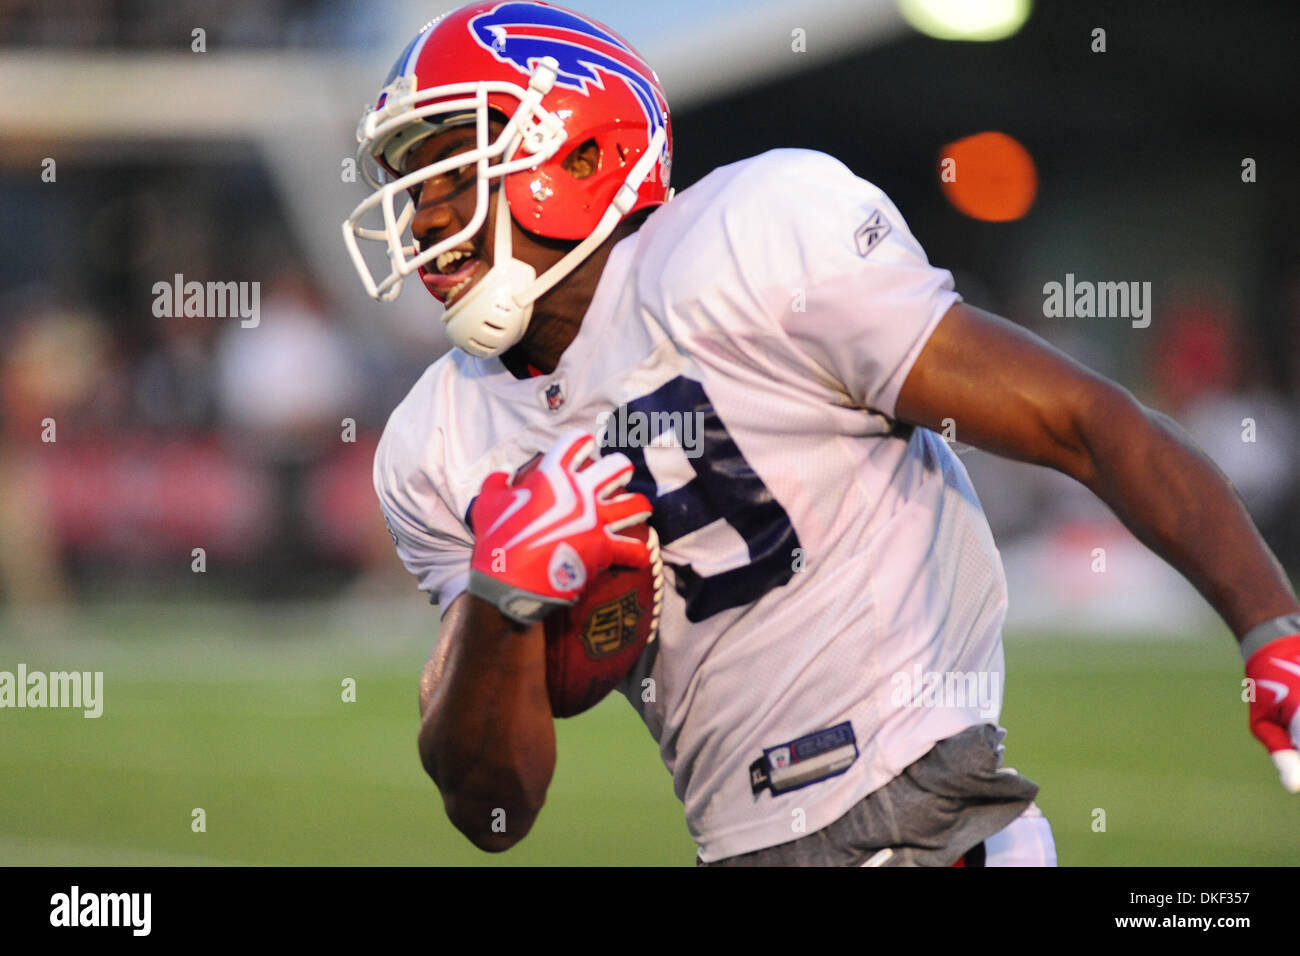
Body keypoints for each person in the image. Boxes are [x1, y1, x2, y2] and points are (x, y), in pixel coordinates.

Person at [342, 0, 1300, 866]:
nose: (423, 218)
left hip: (928, 818)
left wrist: (1269, 626)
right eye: (411, 184)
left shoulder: (754, 241)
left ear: (580, 157)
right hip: (741, 848)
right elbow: (491, 810)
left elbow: (1082, 421)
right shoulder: (437, 441)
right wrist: (504, 596)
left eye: (452, 172)